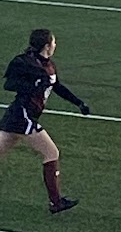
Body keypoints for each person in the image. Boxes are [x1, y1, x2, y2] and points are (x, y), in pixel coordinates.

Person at [0, 29, 90, 215]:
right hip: (22, 115)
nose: (56, 45)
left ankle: (55, 202)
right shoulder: (23, 62)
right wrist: (32, 85)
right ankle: (56, 202)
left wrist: (78, 103)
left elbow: (57, 86)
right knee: (51, 152)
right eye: (54, 42)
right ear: (47, 46)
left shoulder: (49, 66)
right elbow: (9, 84)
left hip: (19, 117)